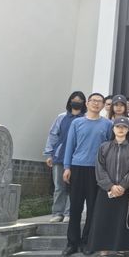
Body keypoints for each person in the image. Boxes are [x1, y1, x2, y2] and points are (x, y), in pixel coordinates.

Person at [88, 116, 129, 257]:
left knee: (121, 224)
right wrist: (110, 186)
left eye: (124, 127)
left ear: (128, 130)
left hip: (125, 192)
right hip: (106, 191)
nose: (120, 129)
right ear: (113, 129)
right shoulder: (104, 147)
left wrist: (122, 185)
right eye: (118, 126)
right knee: (102, 222)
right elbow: (99, 168)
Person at [62, 93, 113, 256]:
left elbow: (109, 148)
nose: (96, 104)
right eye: (93, 101)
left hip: (97, 170)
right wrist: (67, 167)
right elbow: (70, 145)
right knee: (75, 207)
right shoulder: (77, 123)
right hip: (77, 167)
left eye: (100, 101)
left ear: (103, 105)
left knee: (92, 208)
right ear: (87, 103)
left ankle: (87, 241)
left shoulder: (108, 124)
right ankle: (72, 242)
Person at [43, 91, 87, 222]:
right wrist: (49, 153)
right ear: (70, 101)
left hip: (77, 158)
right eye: (74, 100)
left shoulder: (85, 118)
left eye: (79, 101)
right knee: (59, 187)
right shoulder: (61, 117)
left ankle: (69, 213)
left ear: (84, 103)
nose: (76, 102)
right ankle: (57, 213)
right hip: (60, 156)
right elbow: (53, 135)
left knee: (73, 187)